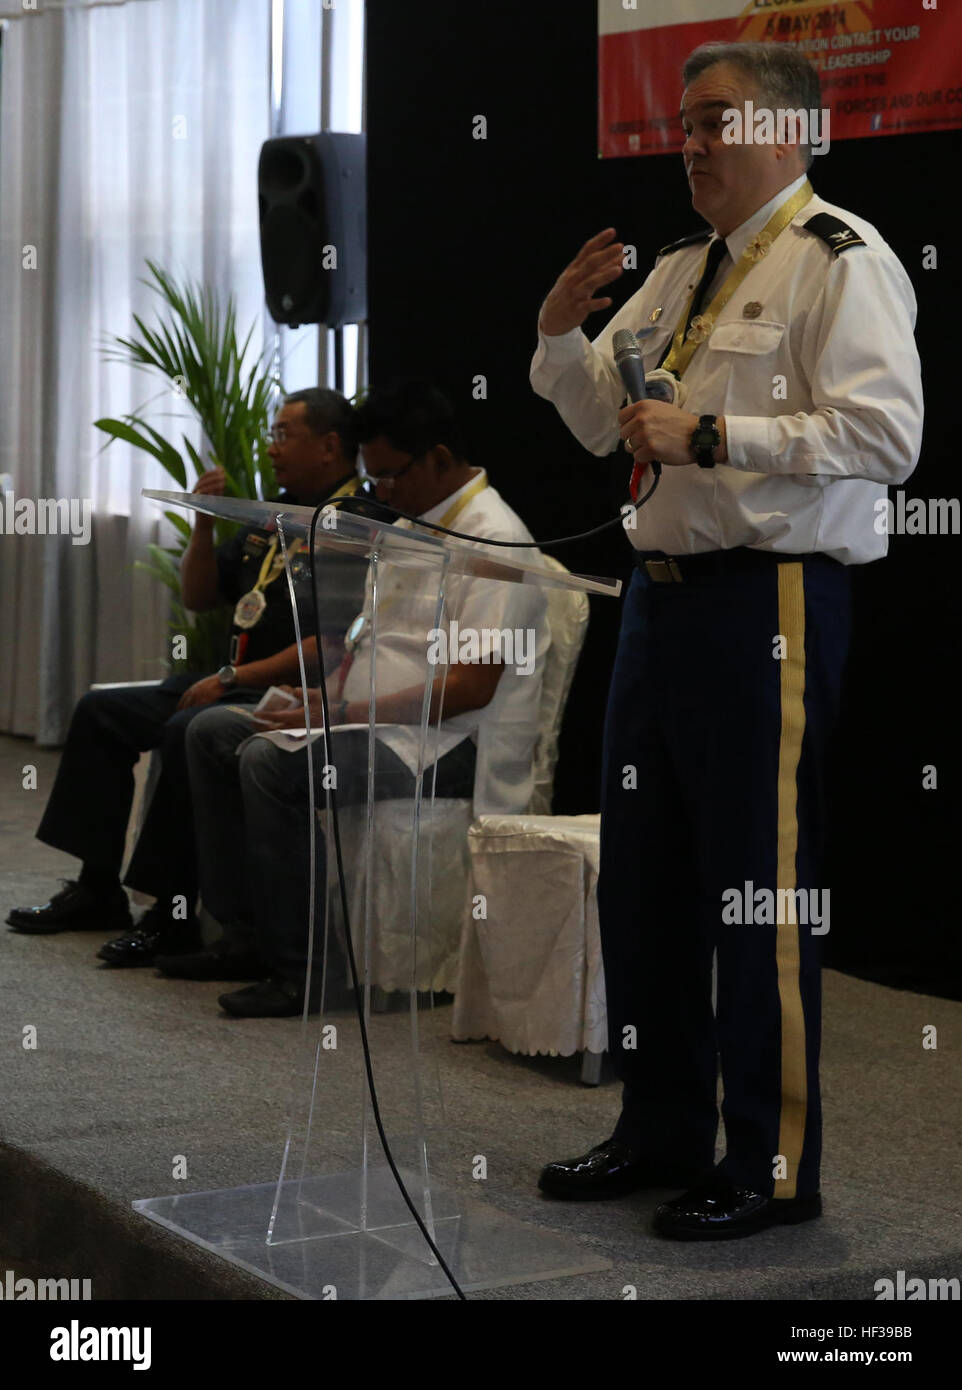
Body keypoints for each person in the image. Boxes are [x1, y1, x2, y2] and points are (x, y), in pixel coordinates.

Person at [530, 41, 922, 1240]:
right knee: (643, 884)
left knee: (758, 892)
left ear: (785, 129)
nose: (687, 142)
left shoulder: (836, 260)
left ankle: (769, 1162)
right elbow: (606, 421)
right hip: (655, 599)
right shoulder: (676, 271)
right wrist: (555, 335)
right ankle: (657, 1128)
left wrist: (715, 438)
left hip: (771, 604)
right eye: (682, 124)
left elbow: (885, 436)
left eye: (712, 120)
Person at [181, 381, 549, 1016]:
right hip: (367, 722)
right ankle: (244, 937)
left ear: (437, 458)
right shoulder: (414, 524)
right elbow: (368, 643)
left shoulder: (495, 539)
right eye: (373, 478)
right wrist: (316, 701)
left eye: (388, 476)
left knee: (269, 765)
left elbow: (468, 688)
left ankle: (307, 972)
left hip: (451, 744)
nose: (380, 492)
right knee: (213, 731)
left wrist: (345, 713)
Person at [7, 388, 362, 969]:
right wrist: (202, 525)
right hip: (231, 675)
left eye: (283, 435)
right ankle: (97, 887)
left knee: (188, 730)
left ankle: (170, 916)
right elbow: (200, 597)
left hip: (285, 689)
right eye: (272, 435)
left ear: (328, 446)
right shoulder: (272, 515)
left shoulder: (354, 524)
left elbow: (332, 646)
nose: (271, 448)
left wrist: (230, 677)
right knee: (102, 711)